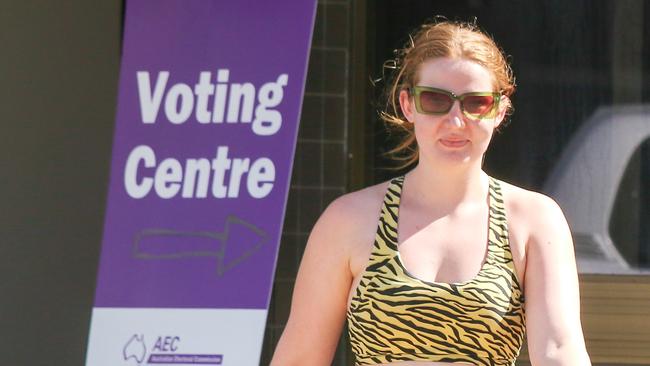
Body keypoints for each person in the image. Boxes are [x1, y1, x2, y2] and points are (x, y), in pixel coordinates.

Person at [271, 19, 591, 366]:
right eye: (436, 100)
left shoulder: (534, 220)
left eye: (476, 103)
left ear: (499, 109)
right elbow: (300, 357)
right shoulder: (348, 219)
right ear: (408, 105)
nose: (455, 121)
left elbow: (559, 351)